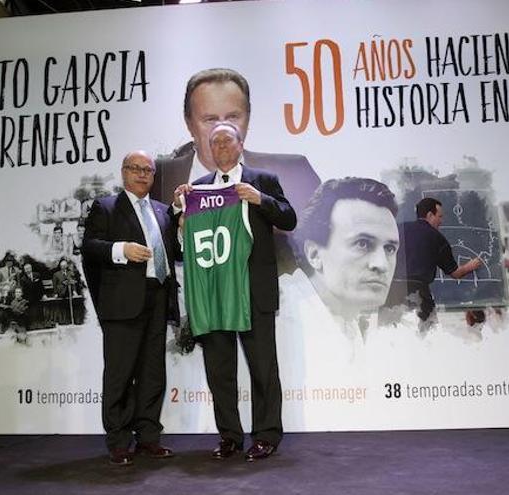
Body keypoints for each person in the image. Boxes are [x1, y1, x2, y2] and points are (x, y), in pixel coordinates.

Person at [174, 122, 296, 462]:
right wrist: (180, 214)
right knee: (220, 369)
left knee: (263, 368)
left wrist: (261, 200)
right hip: (215, 293)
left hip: (253, 291)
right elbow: (182, 243)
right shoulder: (197, 188)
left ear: (241, 145)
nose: (222, 147)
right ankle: (229, 436)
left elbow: (289, 219)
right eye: (216, 143)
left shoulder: (262, 180)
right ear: (209, 151)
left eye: (228, 140)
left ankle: (267, 435)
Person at [154, 67, 320, 271]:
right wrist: (181, 227)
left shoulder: (292, 171)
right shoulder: (160, 176)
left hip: (255, 292)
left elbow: (300, 233)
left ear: (248, 119)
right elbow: (165, 247)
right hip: (200, 293)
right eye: (210, 119)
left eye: (233, 116)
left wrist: (260, 199)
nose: (222, 128)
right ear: (189, 123)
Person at [81, 150, 180, 467]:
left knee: (153, 374)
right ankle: (119, 441)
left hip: (158, 299)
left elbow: (174, 252)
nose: (142, 174)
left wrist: (179, 215)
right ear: (123, 172)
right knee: (120, 375)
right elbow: (90, 248)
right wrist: (121, 249)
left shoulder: (163, 211)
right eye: (135, 168)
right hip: (122, 302)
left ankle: (148, 437)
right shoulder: (106, 207)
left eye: (148, 170)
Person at [277, 178, 404, 393]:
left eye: (390, 249)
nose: (381, 265)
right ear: (315, 254)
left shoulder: (346, 319)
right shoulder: (279, 321)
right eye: (363, 244)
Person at [403, 197, 484, 322]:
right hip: (418, 295)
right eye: (439, 216)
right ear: (430, 215)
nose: (441, 221)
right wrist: (470, 266)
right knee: (425, 335)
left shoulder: (399, 230)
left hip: (391, 293)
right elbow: (455, 273)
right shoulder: (437, 239)